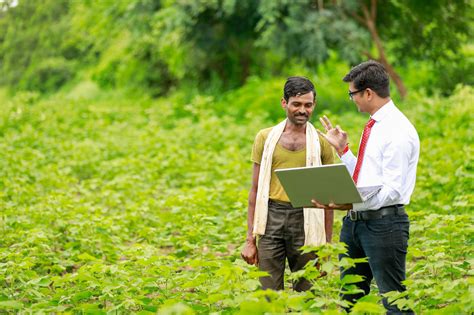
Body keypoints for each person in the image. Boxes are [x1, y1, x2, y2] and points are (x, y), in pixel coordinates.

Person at [313, 60, 419, 314]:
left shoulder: (397, 130)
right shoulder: (375, 125)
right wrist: (343, 151)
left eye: (352, 94)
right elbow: (366, 180)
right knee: (349, 300)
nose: (353, 100)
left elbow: (391, 190)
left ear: (368, 93)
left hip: (383, 226)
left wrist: (349, 202)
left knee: (394, 301)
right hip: (354, 225)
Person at [241, 76, 335, 291]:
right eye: (297, 104)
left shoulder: (321, 142)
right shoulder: (265, 138)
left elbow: (328, 197)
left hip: (307, 218)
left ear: (314, 106)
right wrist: (249, 239)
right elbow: (255, 190)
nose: (303, 110)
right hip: (271, 218)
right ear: (284, 103)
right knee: (268, 292)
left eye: (308, 105)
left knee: (307, 290)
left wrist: (326, 244)